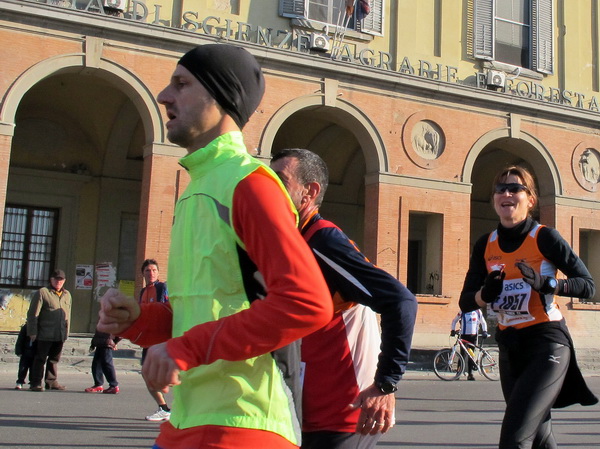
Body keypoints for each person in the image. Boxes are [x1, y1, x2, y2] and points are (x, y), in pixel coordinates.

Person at [97, 43, 333, 449]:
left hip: (243, 424)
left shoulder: (251, 184)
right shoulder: (196, 189)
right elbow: (199, 311)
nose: (164, 96)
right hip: (186, 422)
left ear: (222, 98)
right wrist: (137, 320)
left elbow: (306, 302)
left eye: (181, 84)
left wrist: (185, 349)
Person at [270, 148, 418, 449]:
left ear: (309, 192)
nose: (270, 189)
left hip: (342, 413)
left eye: (280, 181)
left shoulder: (323, 240)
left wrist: (385, 385)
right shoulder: (291, 241)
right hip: (303, 410)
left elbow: (401, 301)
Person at [459, 165, 597, 449]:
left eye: (515, 188)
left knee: (515, 439)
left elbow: (587, 285)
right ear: (494, 199)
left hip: (547, 343)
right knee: (540, 439)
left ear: (530, 199)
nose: (506, 193)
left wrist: (549, 284)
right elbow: (466, 300)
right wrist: (486, 294)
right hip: (510, 348)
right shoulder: (485, 244)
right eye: (500, 189)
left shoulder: (545, 237)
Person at [26, 269, 72, 391]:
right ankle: (35, 382)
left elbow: (68, 315)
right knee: (40, 359)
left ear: (64, 281)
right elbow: (33, 314)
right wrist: (32, 332)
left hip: (59, 334)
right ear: (51, 280)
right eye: (56, 279)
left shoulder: (67, 294)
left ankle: (51, 381)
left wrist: (66, 332)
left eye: (61, 280)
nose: (58, 282)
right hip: (44, 333)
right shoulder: (43, 292)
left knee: (54, 359)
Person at [137, 259, 171, 421]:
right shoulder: (143, 291)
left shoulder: (162, 288)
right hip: (148, 341)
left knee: (165, 375)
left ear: (158, 272)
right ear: (142, 273)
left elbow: (166, 311)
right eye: (147, 271)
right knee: (146, 374)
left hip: (161, 340)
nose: (151, 273)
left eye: (154, 270)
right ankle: (163, 408)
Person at [450, 309, 488, 380]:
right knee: (462, 355)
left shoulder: (477, 311)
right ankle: (458, 373)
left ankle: (470, 374)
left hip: (473, 336)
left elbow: (483, 322)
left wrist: (485, 331)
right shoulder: (462, 311)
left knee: (471, 355)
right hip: (464, 336)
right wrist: (452, 330)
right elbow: (454, 321)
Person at [84, 329, 121, 394]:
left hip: (106, 342)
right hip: (101, 342)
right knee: (96, 364)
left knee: (107, 364)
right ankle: (98, 384)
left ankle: (114, 385)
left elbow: (121, 331)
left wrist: (115, 342)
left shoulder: (113, 321)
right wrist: (94, 342)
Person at [14, 323, 36, 390]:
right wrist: (18, 351)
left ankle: (32, 383)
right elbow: (20, 340)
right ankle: (20, 382)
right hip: (25, 351)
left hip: (36, 352)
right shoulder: (26, 327)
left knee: (34, 369)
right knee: (23, 368)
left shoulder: (41, 327)